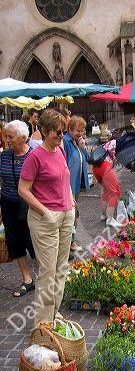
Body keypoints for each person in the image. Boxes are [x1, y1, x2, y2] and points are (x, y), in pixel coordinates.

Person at [19, 109, 75, 326]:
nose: (62, 136)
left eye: (63, 132)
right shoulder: (35, 157)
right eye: (57, 132)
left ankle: (53, 314)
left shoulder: (59, 150)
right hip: (45, 219)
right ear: (44, 131)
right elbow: (23, 189)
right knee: (47, 273)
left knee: (61, 269)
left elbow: (65, 177)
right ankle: (42, 325)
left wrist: (71, 202)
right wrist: (45, 212)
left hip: (65, 215)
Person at [0, 120, 35, 297]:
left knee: (34, 241)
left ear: (23, 137)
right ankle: (27, 279)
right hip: (8, 204)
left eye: (10, 137)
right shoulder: (4, 156)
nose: (7, 140)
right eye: (6, 136)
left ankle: (47, 277)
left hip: (30, 206)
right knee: (15, 242)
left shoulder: (34, 156)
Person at [63, 116, 90, 253]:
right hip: (69, 184)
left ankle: (71, 240)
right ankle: (70, 242)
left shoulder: (77, 141)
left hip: (77, 182)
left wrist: (83, 147)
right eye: (78, 130)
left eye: (82, 130)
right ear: (70, 129)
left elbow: (86, 158)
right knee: (72, 213)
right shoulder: (66, 141)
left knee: (75, 212)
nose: (80, 133)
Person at [92, 139, 121, 228]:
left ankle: (103, 214)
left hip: (96, 167)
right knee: (113, 192)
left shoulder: (106, 143)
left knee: (106, 190)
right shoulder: (117, 142)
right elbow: (114, 154)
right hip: (105, 166)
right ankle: (110, 219)